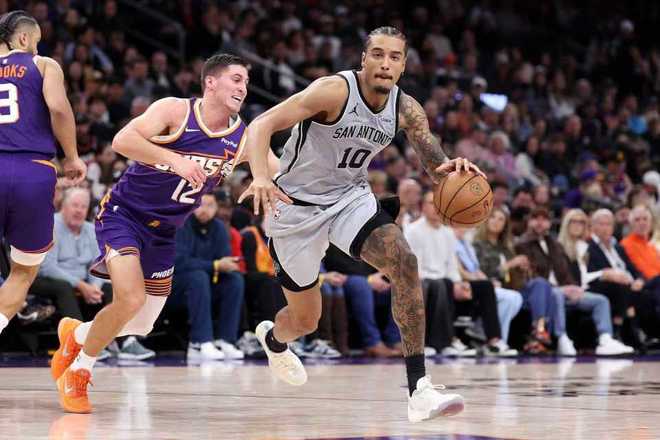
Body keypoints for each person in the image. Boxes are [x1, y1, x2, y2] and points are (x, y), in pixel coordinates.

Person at [239, 27, 478, 422]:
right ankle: (274, 339)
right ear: (363, 59)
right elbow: (261, 125)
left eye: (395, 57)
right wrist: (262, 177)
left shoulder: (406, 109)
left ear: (403, 65)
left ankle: (419, 389)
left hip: (349, 198)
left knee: (404, 261)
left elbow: (435, 163)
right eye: (378, 54)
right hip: (296, 208)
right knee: (304, 321)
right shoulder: (332, 91)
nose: (385, 63)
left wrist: (454, 172)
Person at [50, 53, 282, 414]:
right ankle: (79, 372)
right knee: (129, 299)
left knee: (142, 324)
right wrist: (176, 160)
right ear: (211, 82)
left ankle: (76, 334)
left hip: (165, 233)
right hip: (124, 216)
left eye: (246, 82)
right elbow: (122, 141)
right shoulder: (175, 110)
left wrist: (274, 184)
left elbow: (279, 169)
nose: (243, 88)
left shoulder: (242, 136)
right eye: (236, 79)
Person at [0, 11, 86, 339]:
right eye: (36, 42)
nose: (37, 48)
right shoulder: (43, 65)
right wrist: (72, 156)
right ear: (23, 38)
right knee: (23, 272)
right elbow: (60, 109)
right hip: (32, 171)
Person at [516, 207, 634, 356]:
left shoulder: (554, 245)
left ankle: (606, 338)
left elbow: (564, 271)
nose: (540, 223)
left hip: (567, 288)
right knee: (557, 294)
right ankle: (562, 337)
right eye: (536, 219)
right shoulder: (522, 244)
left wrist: (573, 287)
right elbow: (534, 276)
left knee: (601, 300)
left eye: (544, 220)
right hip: (545, 290)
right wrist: (565, 287)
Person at [172, 193, 245, 361]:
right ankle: (199, 342)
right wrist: (215, 265)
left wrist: (227, 265)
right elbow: (179, 262)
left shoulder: (219, 227)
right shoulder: (181, 224)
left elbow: (224, 259)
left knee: (234, 280)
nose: (204, 209)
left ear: (216, 208)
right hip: (175, 286)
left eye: (210, 205)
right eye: (200, 204)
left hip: (204, 284)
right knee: (198, 277)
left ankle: (225, 340)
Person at [473, 207, 557, 354]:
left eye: (501, 219)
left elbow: (515, 278)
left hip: (512, 288)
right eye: (493, 217)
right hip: (490, 288)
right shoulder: (477, 245)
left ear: (505, 225)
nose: (496, 222)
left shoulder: (507, 248)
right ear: (485, 221)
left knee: (542, 284)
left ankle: (539, 330)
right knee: (513, 297)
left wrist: (523, 269)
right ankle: (512, 341)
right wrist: (509, 265)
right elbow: (480, 273)